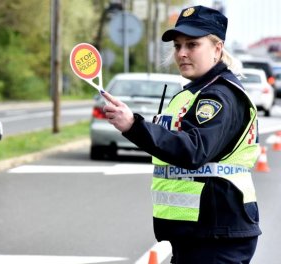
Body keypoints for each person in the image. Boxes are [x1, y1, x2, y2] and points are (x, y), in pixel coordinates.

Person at [101, 5, 261, 264]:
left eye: (192, 45)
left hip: (216, 234)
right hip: (201, 232)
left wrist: (134, 125)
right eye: (177, 46)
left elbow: (194, 149)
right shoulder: (197, 91)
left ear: (217, 48)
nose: (182, 53)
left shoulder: (218, 96)